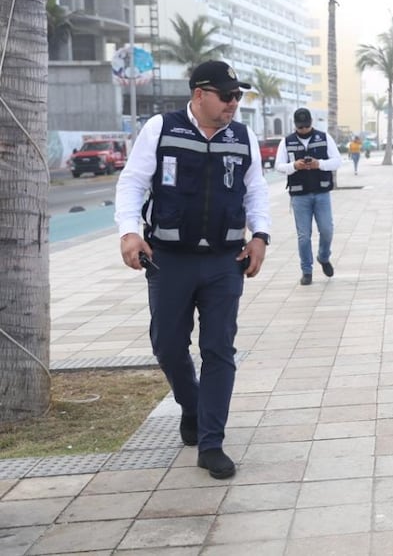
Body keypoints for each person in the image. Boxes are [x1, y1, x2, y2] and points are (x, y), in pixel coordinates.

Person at [114, 60, 270, 480]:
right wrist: (129, 232)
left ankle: (211, 442)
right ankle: (191, 405)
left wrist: (260, 236)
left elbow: (255, 190)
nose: (234, 103)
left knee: (219, 349)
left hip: (225, 260)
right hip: (169, 258)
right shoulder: (161, 129)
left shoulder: (243, 136)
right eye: (227, 96)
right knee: (167, 345)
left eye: (238, 96)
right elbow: (132, 183)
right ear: (200, 95)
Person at [275, 108, 341, 285]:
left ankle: (323, 256)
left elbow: (337, 161)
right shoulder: (286, 141)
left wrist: (320, 164)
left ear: (311, 122)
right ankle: (306, 271)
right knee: (304, 236)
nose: (303, 129)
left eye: (306, 126)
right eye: (300, 126)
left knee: (327, 230)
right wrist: (294, 166)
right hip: (299, 195)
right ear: (295, 125)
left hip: (321, 193)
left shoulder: (324, 138)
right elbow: (278, 166)